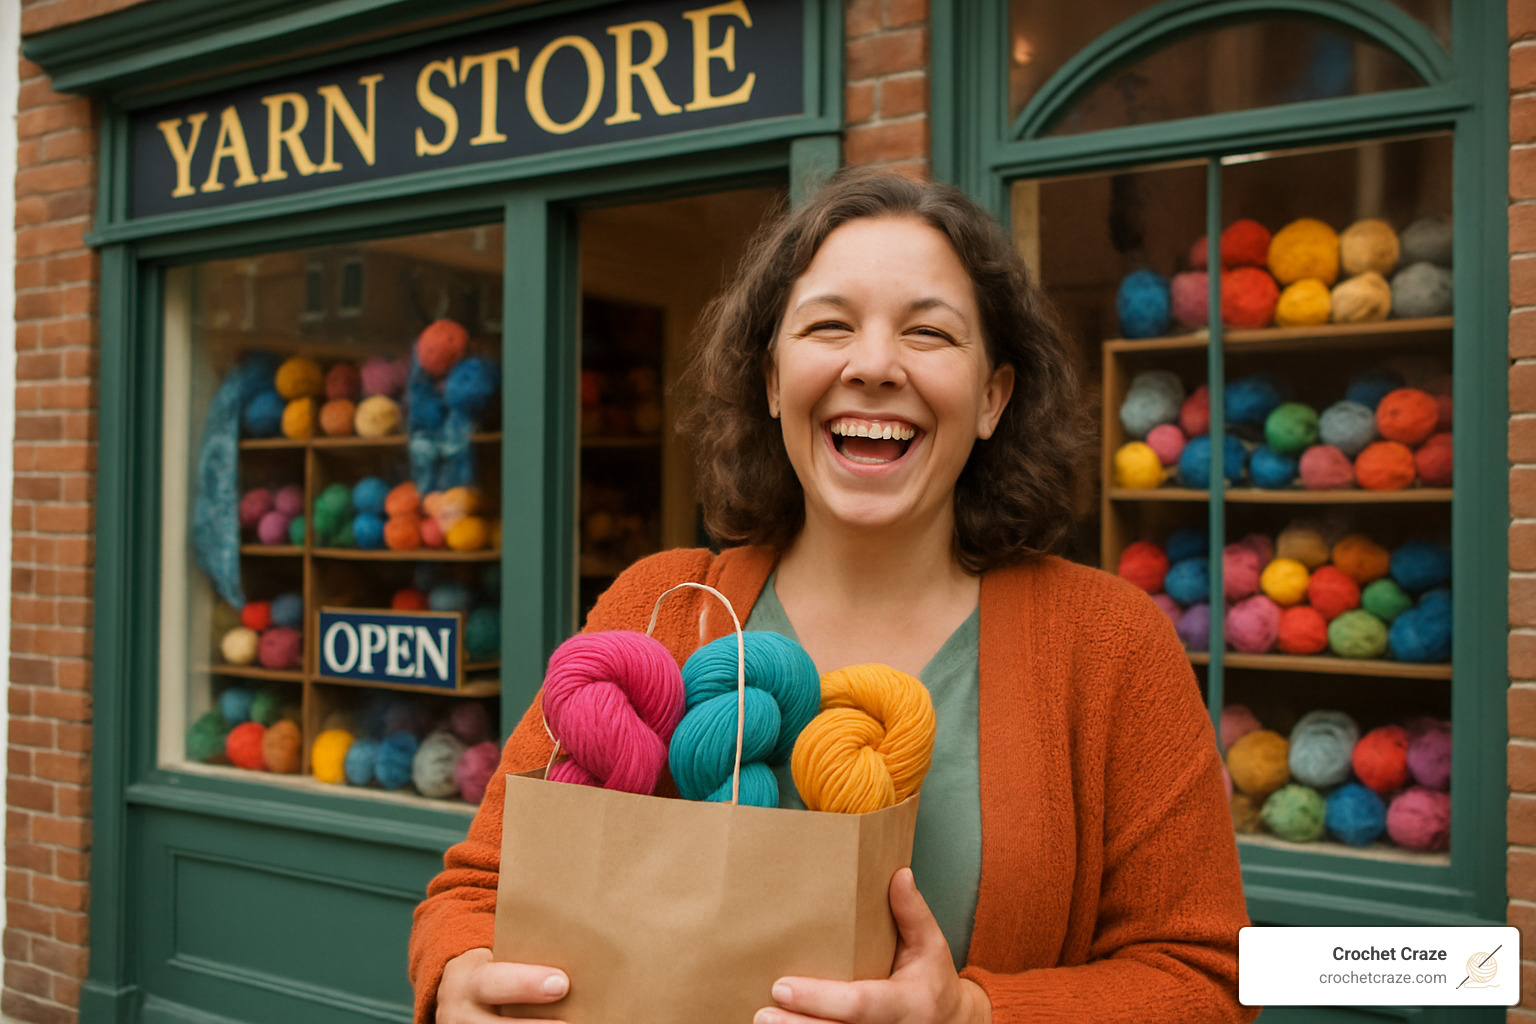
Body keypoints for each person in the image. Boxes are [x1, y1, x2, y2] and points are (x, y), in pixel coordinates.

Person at [409, 170, 1255, 1024]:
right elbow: (474, 888)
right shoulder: (658, 607)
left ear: (994, 397)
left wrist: (969, 1014)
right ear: (773, 381)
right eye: (828, 326)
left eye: (929, 332)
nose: (874, 365)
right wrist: (459, 974)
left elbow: (1211, 978)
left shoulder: (1107, 645)